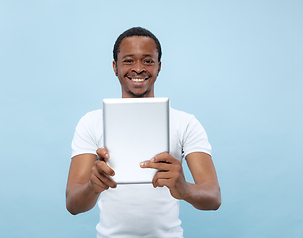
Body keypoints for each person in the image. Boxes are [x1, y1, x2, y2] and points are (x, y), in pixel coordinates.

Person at [66, 27, 221, 238]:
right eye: (129, 60)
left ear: (159, 66)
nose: (138, 69)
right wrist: (93, 186)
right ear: (115, 66)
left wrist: (185, 189)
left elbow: (213, 196)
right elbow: (73, 204)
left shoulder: (185, 123)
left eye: (148, 61)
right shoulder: (91, 122)